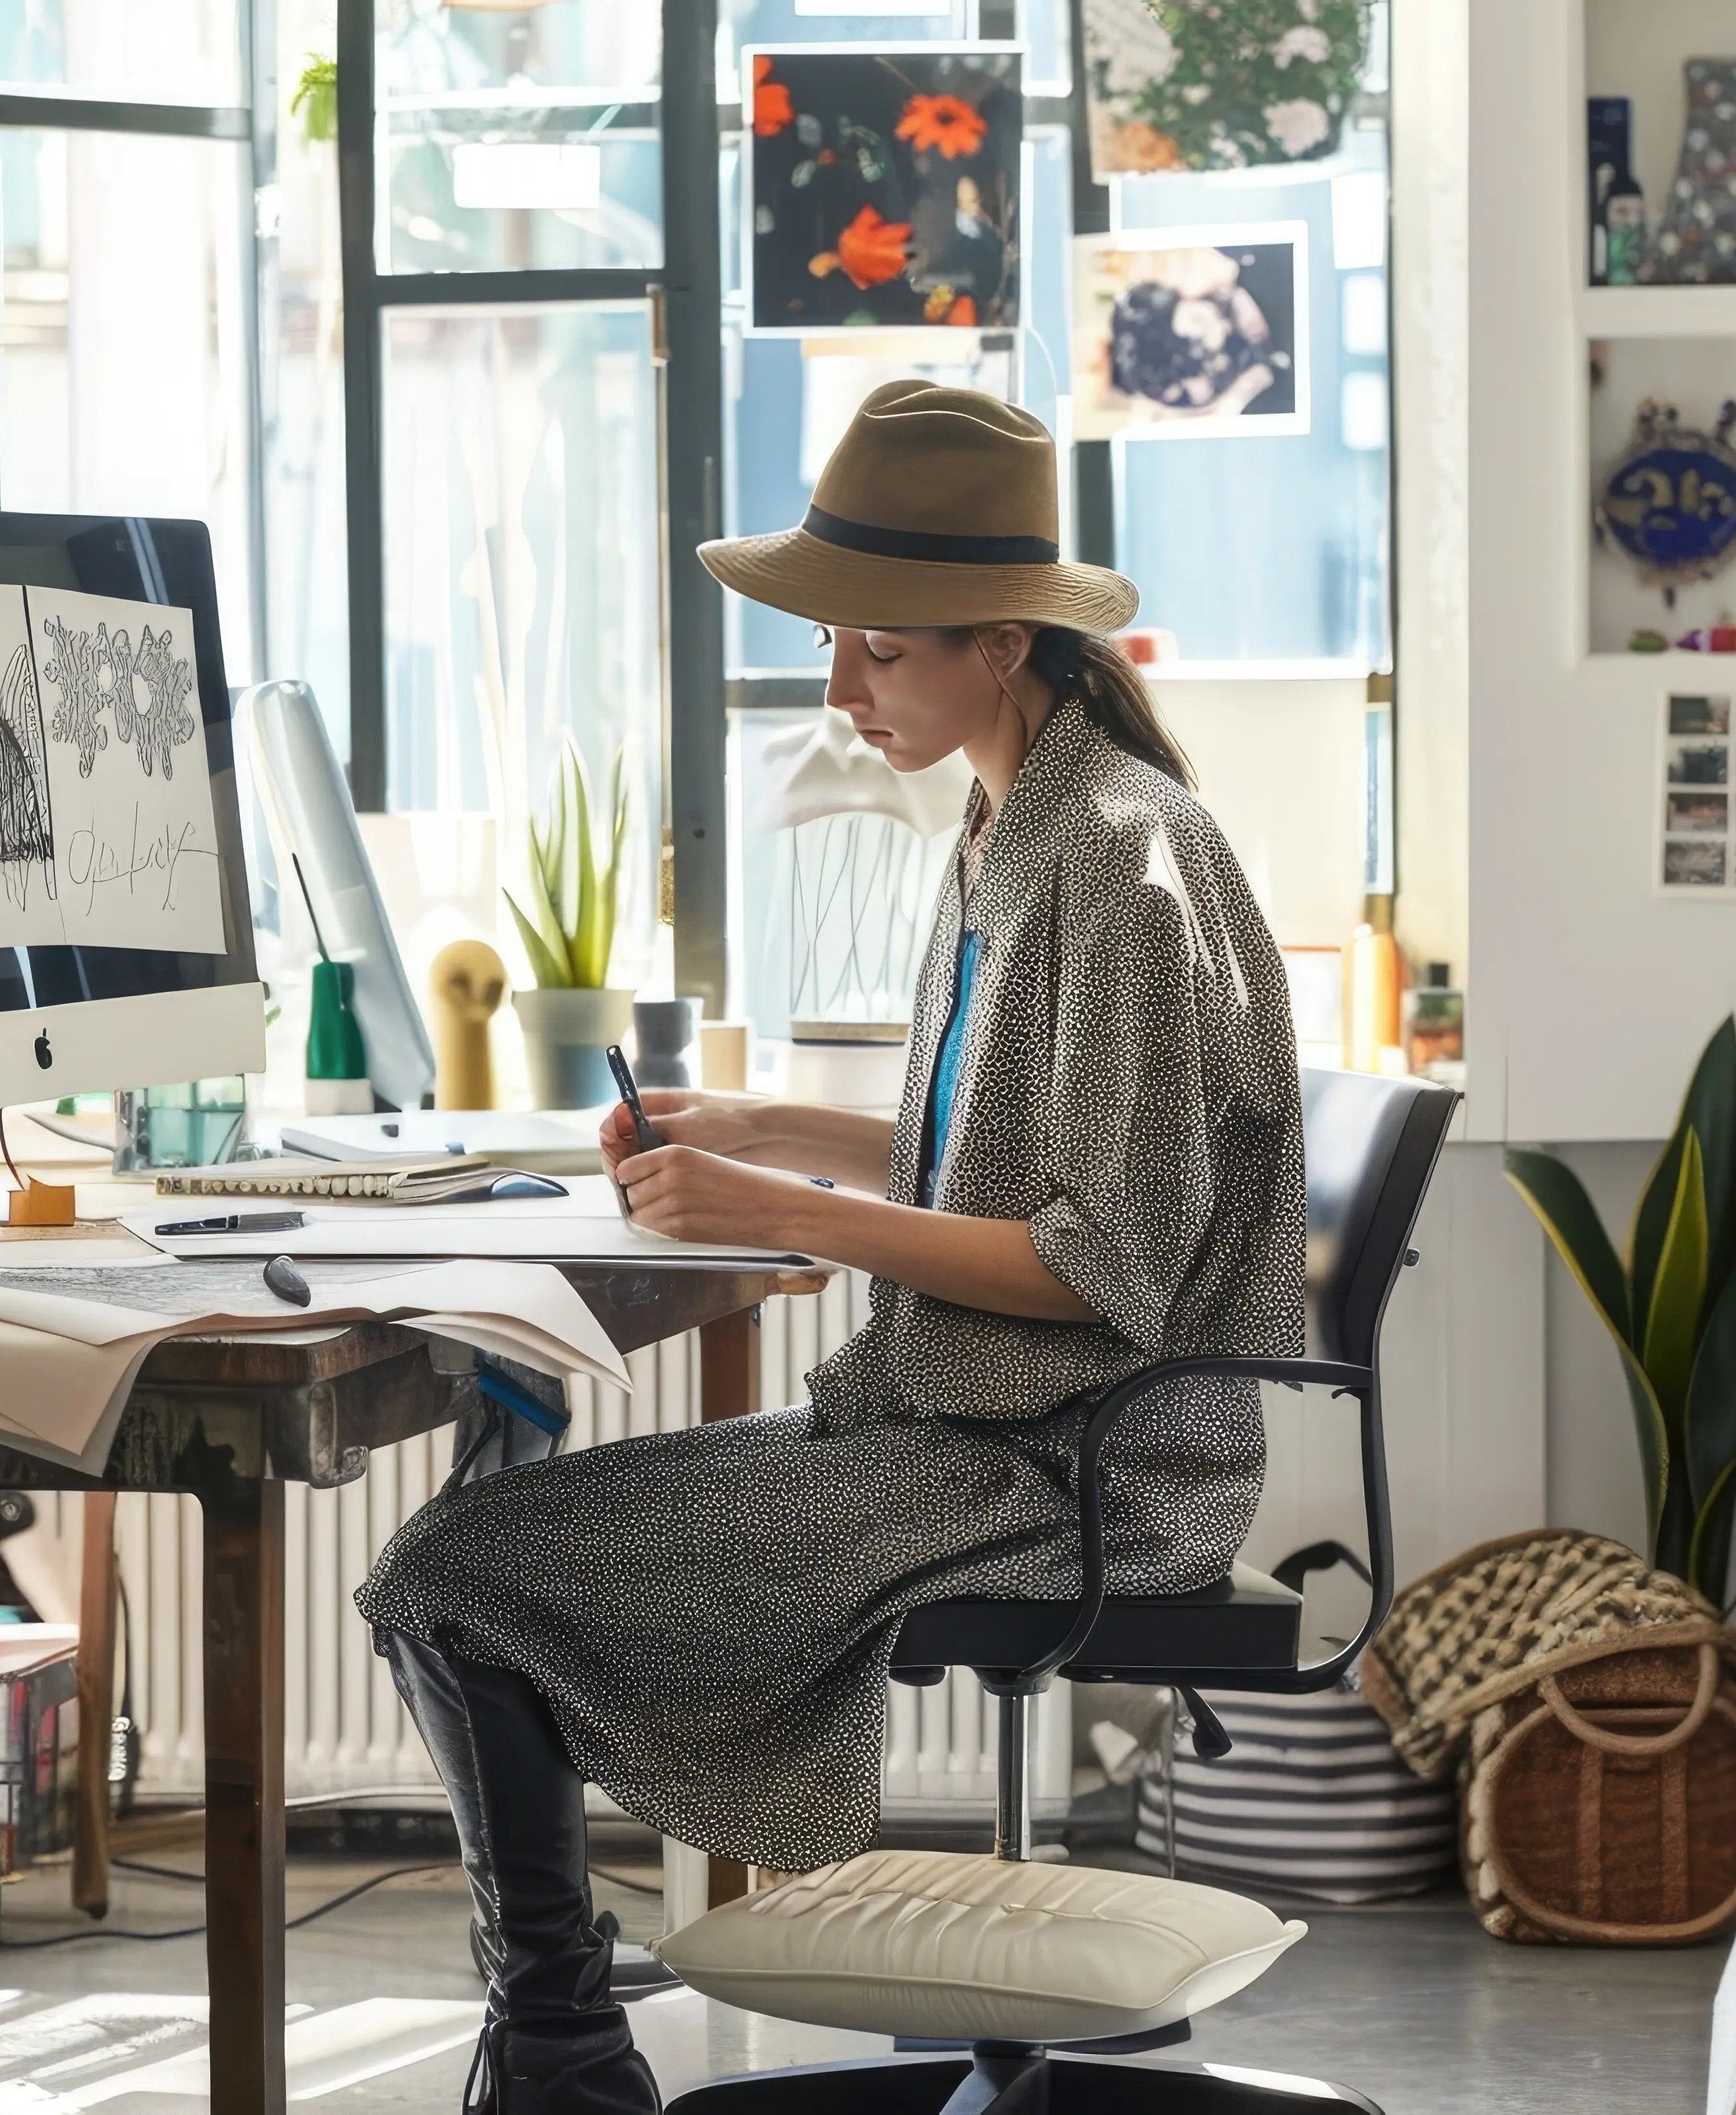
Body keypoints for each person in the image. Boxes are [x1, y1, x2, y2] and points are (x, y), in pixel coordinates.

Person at [352, 381, 1307, 2113]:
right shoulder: (1016, 824)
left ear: (1001, 642)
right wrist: (762, 1128)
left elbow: (1101, 1264)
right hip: (970, 1435)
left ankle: (559, 2054)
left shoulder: (1117, 863)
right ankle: (559, 2044)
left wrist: (778, 1215)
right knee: (464, 1563)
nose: (841, 691)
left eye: (877, 651)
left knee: (453, 1574)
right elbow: (1002, 1167)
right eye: (832, 648)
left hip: (1083, 1467)